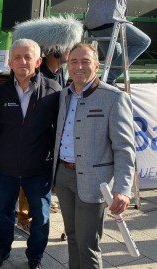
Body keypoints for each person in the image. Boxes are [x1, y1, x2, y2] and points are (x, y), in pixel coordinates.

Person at [53, 43, 135, 269]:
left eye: (85, 61)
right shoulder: (63, 95)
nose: (79, 67)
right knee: (72, 236)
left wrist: (123, 188)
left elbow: (125, 147)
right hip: (64, 177)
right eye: (74, 62)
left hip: (94, 182)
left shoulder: (114, 98)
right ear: (67, 65)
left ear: (97, 66)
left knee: (88, 244)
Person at [0, 39, 61, 269]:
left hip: (38, 169)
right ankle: (3, 250)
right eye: (17, 57)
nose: (22, 61)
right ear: (10, 62)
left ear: (38, 61)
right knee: (4, 212)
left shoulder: (53, 91)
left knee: (42, 216)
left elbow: (59, 131)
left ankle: (35, 257)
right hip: (5, 167)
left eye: (28, 57)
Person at [11, 15, 84, 238]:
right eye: (69, 48)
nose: (71, 53)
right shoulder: (39, 76)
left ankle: (39, 204)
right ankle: (24, 217)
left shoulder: (59, 73)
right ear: (57, 50)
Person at [84, 0, 151, 86]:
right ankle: (108, 79)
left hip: (92, 25)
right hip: (110, 20)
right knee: (143, 41)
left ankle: (109, 82)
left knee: (116, 57)